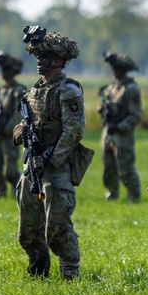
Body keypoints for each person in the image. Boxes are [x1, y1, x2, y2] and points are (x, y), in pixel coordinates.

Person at [12, 26, 92, 279]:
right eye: (37, 56)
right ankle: (38, 272)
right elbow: (28, 125)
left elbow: (74, 131)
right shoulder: (34, 91)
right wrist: (20, 132)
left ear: (58, 60)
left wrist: (51, 158)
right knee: (28, 231)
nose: (39, 61)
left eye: (44, 56)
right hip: (32, 168)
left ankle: (70, 275)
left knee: (57, 228)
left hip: (56, 171)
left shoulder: (68, 90)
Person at [99, 52, 143, 202]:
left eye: (117, 68)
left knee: (125, 167)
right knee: (108, 167)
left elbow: (135, 115)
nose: (114, 71)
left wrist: (120, 126)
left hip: (122, 134)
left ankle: (133, 195)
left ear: (124, 69)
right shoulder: (110, 88)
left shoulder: (131, 89)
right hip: (108, 132)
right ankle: (112, 194)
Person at [0, 51, 27, 198]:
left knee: (9, 170)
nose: (2, 72)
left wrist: (10, 128)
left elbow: (19, 113)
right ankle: (0, 192)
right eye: (1, 69)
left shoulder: (18, 90)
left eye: (6, 69)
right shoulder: (0, 91)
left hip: (10, 136)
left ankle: (19, 191)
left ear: (13, 71)